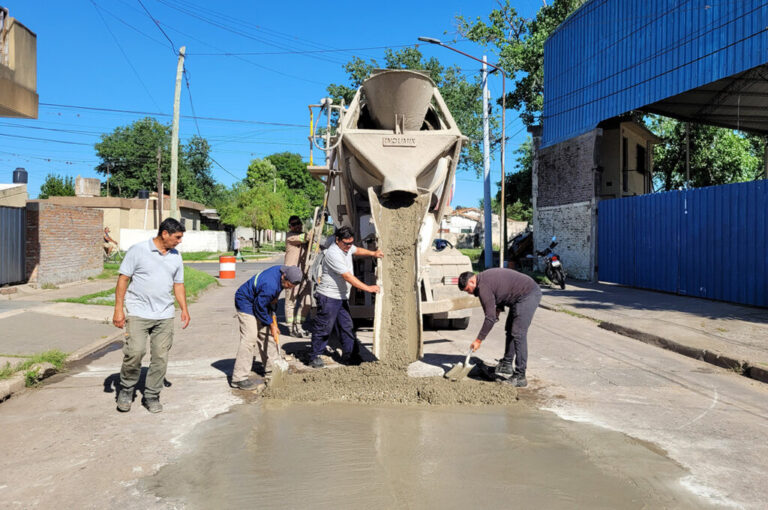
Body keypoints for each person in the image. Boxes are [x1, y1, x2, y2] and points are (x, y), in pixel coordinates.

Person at [113, 218, 190, 413]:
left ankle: (152, 395)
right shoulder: (138, 250)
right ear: (165, 234)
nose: (179, 241)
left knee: (160, 357)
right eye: (177, 237)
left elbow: (178, 284)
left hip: (164, 314)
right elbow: (123, 279)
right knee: (135, 352)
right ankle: (127, 388)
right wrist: (118, 309)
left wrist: (184, 309)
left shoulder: (175, 256)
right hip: (138, 312)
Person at [308, 225, 383, 368]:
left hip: (341, 297)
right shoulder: (333, 254)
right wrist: (368, 288)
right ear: (338, 240)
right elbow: (347, 276)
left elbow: (357, 250)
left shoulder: (347, 248)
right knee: (324, 327)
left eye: (351, 242)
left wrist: (373, 254)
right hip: (329, 297)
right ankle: (314, 356)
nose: (349, 246)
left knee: (347, 327)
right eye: (346, 243)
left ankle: (351, 356)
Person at [458, 268, 541, 387]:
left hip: (528, 294)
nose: (469, 293)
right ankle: (507, 365)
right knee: (510, 330)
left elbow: (490, 318)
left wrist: (479, 340)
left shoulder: (483, 287)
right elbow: (501, 290)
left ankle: (520, 376)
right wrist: (499, 308)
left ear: (472, 281)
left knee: (518, 333)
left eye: (468, 290)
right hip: (518, 296)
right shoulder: (483, 279)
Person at [231, 265, 303, 390]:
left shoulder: (283, 271)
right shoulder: (270, 285)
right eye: (287, 285)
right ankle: (239, 378)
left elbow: (268, 299)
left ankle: (272, 369)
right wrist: (271, 324)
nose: (288, 288)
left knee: (268, 335)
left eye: (291, 287)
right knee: (250, 337)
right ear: (283, 277)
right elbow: (260, 308)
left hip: (261, 299)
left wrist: (273, 303)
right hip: (246, 301)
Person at [284, 215, 310, 337]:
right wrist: (316, 226)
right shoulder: (291, 237)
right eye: (293, 224)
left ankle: (299, 325)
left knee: (307, 302)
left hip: (304, 275)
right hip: (291, 274)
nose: (297, 226)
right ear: (290, 227)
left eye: (298, 223)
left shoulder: (304, 238)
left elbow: (314, 246)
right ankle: (291, 328)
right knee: (291, 302)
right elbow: (306, 237)